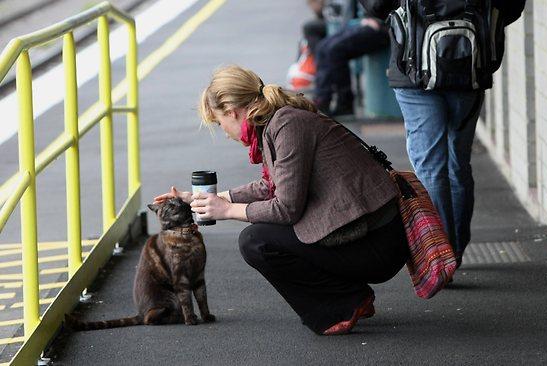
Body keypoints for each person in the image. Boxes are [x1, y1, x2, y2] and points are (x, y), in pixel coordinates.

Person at [153, 65, 409, 335]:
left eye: (220, 123)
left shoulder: (287, 125)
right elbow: (270, 186)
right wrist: (207, 199)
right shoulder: (277, 123)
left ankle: (345, 302)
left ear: (232, 111)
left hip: (376, 242)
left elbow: (286, 208)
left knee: (256, 241)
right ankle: (347, 297)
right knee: (261, 236)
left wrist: (227, 210)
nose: (225, 132)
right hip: (361, 231)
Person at [359, 0, 525, 268]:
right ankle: (455, 250)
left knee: (430, 167)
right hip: (469, 67)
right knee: (458, 164)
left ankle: (441, 257)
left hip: (413, 68)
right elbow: (511, 8)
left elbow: (376, 5)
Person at [313, 1, 390, 116]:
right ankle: (322, 98)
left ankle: (344, 102)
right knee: (322, 47)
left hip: (382, 26)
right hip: (363, 22)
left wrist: (377, 18)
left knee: (335, 50)